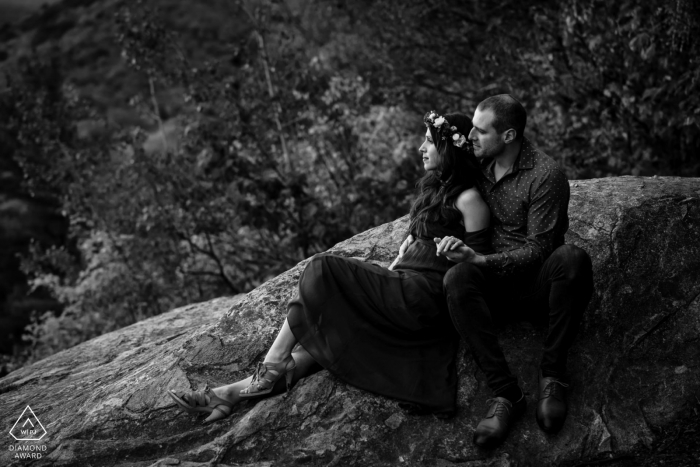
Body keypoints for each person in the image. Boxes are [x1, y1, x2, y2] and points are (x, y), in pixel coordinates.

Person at [168, 111, 493, 423]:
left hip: (422, 297)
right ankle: (229, 395)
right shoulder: (434, 188)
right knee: (331, 335)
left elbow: (475, 269)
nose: (421, 148)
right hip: (402, 284)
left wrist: (455, 252)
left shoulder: (469, 200)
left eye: (430, 141)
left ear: (450, 148)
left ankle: (273, 362)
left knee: (322, 268)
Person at [417, 95, 594, 448]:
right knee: (457, 278)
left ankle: (553, 376)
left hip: (536, 286)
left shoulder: (546, 175)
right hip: (490, 292)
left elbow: (539, 249)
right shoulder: (475, 165)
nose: (471, 138)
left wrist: (480, 260)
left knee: (572, 258)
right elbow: (441, 177)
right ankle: (506, 394)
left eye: (481, 132)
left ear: (509, 135)